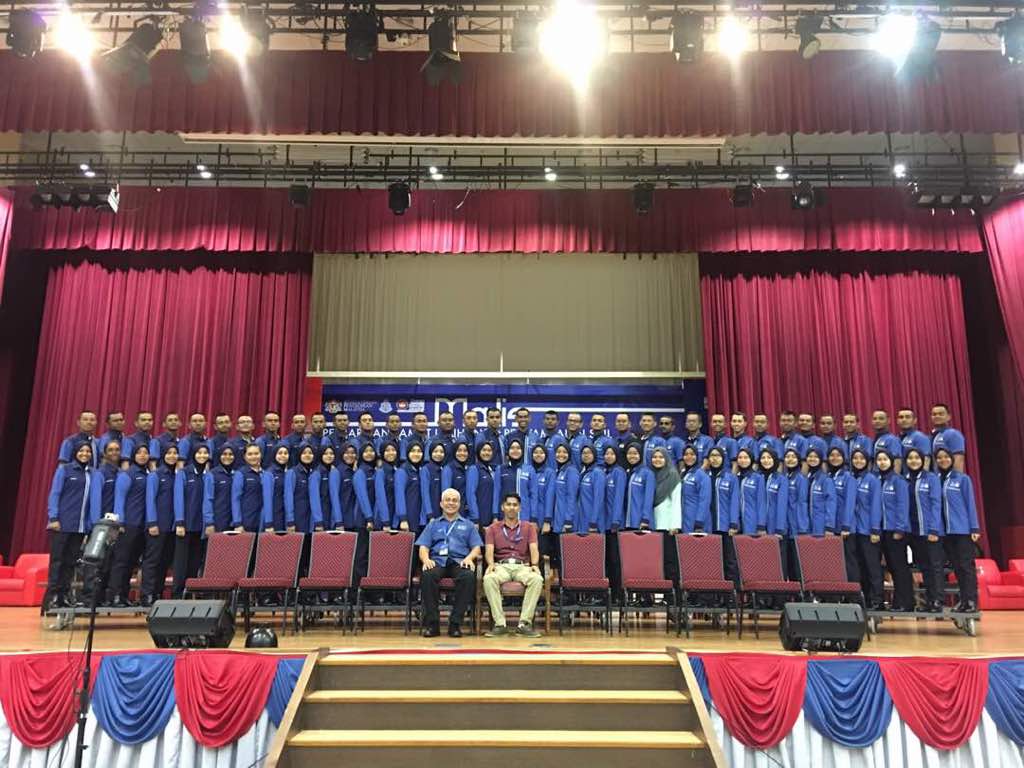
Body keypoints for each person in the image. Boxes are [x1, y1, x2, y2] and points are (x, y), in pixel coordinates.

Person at [416, 489, 482, 637]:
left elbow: (476, 547)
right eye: (447, 500)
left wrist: (469, 558)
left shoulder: (468, 525)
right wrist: (426, 560)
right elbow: (423, 547)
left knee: (468, 577)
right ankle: (433, 624)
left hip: (459, 561)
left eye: (454, 500)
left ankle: (455, 624)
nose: (451, 503)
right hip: (437, 561)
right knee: (427, 575)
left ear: (459, 504)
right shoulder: (433, 524)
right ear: (441, 503)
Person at [482, 493, 543, 638]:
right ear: (502, 507)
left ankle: (524, 624)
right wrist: (490, 564)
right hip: (501, 566)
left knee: (537, 579)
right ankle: (500, 624)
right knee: (489, 579)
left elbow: (534, 548)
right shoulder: (492, 528)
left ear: (519, 508)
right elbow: (489, 550)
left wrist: (535, 564)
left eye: (515, 505)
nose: (511, 508)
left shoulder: (528, 527)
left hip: (522, 566)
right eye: (508, 504)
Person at [45, 441, 94, 609]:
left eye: (88, 451)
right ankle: (52, 597)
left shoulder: (91, 474)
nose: (85, 454)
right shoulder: (64, 470)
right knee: (57, 562)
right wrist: (53, 517)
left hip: (79, 527)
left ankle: (64, 595)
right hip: (62, 524)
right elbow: (55, 494)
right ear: (75, 453)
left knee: (70, 563)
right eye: (81, 451)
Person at [935, 447, 980, 611]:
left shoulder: (962, 479)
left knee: (966, 567)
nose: (943, 460)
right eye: (939, 458)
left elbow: (970, 503)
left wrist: (974, 527)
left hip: (962, 530)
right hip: (946, 532)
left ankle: (971, 601)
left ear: (952, 459)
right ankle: (963, 600)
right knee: (957, 568)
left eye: (946, 457)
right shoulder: (936, 479)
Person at [109, 443, 150, 606]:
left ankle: (124, 596)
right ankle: (115, 596)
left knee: (131, 562)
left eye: (145, 452)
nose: (142, 455)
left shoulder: (148, 474)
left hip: (141, 526)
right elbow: (119, 500)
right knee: (121, 561)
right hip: (127, 525)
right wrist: (120, 522)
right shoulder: (126, 475)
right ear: (133, 456)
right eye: (139, 452)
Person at [903, 448, 944, 612]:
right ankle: (929, 600)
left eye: (916, 458)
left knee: (935, 567)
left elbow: (936, 504)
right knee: (924, 568)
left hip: (930, 531)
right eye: (910, 458)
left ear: (923, 460)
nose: (913, 461)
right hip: (914, 532)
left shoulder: (931, 478)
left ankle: (937, 600)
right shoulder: (905, 479)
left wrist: (934, 529)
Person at [172, 444, 213, 598]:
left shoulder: (208, 475)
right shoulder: (183, 473)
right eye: (199, 452)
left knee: (195, 562)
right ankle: (177, 594)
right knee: (181, 562)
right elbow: (178, 498)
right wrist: (180, 522)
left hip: (200, 526)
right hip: (185, 525)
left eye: (205, 453)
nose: (202, 455)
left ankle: (189, 593)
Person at [141, 444, 179, 606]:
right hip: (156, 526)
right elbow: (150, 500)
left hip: (171, 527)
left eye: (175, 453)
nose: (172, 456)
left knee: (165, 561)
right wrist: (152, 522)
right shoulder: (155, 475)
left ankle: (158, 592)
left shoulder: (177, 475)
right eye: (169, 453)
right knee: (152, 561)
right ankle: (147, 595)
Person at [86, 439, 121, 604]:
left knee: (109, 563)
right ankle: (89, 598)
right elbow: (95, 499)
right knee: (95, 562)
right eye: (111, 449)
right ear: (104, 453)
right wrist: (96, 524)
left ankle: (103, 598)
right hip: (101, 526)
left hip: (115, 525)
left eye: (117, 449)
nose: (114, 452)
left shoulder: (120, 473)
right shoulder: (100, 473)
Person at [876, 450, 912, 611]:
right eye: (879, 460)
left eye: (885, 459)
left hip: (896, 530)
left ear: (891, 461)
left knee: (899, 567)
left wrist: (900, 528)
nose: (882, 462)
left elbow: (902, 505)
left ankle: (906, 602)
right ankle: (898, 601)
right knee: (891, 566)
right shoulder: (879, 480)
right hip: (883, 530)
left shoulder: (898, 481)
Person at [851, 449, 884, 609]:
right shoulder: (852, 479)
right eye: (855, 458)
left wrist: (875, 529)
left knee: (873, 567)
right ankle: (865, 599)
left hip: (869, 531)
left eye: (861, 458)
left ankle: (877, 599)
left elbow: (876, 505)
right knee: (860, 567)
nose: (858, 461)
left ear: (867, 461)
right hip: (855, 530)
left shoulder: (872, 480)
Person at [706, 447, 740, 585]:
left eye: (718, 456)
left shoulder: (730, 477)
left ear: (723, 458)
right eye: (712, 456)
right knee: (712, 562)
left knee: (729, 560)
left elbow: (735, 501)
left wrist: (733, 523)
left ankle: (732, 592)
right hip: (709, 526)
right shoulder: (705, 476)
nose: (714, 459)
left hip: (725, 526)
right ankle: (715, 592)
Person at [826, 447, 859, 583]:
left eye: (838, 455)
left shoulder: (848, 478)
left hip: (845, 528)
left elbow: (850, 503)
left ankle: (854, 592)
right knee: (835, 563)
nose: (835, 458)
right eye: (832, 455)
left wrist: (846, 526)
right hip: (832, 527)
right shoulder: (828, 477)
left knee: (849, 561)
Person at [781, 448, 809, 580]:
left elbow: (802, 503)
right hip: (786, 525)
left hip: (797, 526)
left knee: (798, 564)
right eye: (787, 457)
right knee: (789, 564)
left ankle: (802, 590)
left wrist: (802, 527)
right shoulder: (786, 477)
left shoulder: (801, 479)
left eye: (793, 457)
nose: (790, 459)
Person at [285, 442, 322, 536]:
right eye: (304, 453)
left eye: (310, 453)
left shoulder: (314, 473)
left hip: (311, 520)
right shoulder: (292, 472)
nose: (307, 455)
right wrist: (290, 521)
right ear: (299, 455)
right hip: (297, 520)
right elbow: (288, 498)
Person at [203, 445, 239, 533]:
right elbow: (208, 500)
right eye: (224, 454)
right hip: (217, 522)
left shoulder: (237, 474)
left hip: (234, 522)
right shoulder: (212, 474)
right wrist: (209, 523)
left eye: (230, 454)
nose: (227, 457)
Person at [498, 439, 533, 524]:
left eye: (518, 448)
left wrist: (534, 517)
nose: (515, 450)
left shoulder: (529, 469)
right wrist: (495, 515)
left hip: (524, 517)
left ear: (522, 451)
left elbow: (533, 495)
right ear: (508, 451)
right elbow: (496, 493)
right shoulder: (501, 469)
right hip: (504, 516)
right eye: (512, 448)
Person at [232, 444, 265, 532]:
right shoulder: (240, 474)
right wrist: (238, 523)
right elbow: (235, 499)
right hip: (246, 523)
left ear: (261, 454)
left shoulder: (265, 474)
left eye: (256, 453)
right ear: (245, 457)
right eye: (250, 454)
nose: (253, 457)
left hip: (262, 523)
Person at [467, 442, 500, 528]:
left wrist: (495, 516)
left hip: (490, 518)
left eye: (489, 450)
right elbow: (471, 495)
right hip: (478, 520)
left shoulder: (491, 470)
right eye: (484, 450)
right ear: (479, 452)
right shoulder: (474, 469)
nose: (487, 453)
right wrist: (475, 518)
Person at [805, 449, 837, 537]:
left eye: (816, 457)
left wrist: (829, 526)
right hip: (807, 526)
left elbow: (831, 503)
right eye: (810, 456)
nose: (812, 459)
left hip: (821, 526)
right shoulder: (807, 478)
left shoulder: (826, 480)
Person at [310, 445, 343, 530]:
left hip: (331, 518)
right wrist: (318, 522)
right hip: (320, 520)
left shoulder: (334, 472)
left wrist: (338, 520)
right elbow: (314, 500)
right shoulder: (316, 473)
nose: (329, 456)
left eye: (331, 453)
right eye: (325, 454)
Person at [623, 443, 654, 530]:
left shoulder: (648, 473)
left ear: (640, 454)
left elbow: (649, 498)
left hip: (641, 522)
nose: (632, 456)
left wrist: (645, 519)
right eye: (629, 453)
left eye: (635, 453)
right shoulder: (627, 472)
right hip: (628, 521)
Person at [735, 449, 766, 535]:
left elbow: (761, 503)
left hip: (751, 520)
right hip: (735, 522)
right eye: (740, 457)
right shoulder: (734, 478)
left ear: (751, 459)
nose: (743, 460)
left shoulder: (758, 478)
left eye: (746, 457)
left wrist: (761, 524)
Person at [262, 445, 292, 532]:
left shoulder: (289, 472)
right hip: (274, 516)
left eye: (285, 453)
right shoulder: (269, 473)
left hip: (285, 516)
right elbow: (267, 500)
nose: (283, 455)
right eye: (280, 453)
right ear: (274, 455)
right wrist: (268, 523)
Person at [394, 442, 424, 532]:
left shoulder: (419, 470)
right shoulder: (402, 471)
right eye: (413, 451)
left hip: (417, 518)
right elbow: (399, 496)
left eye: (419, 451)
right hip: (406, 521)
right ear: (407, 453)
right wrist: (403, 519)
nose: (416, 454)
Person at [552, 444, 581, 533]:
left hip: (567, 522)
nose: (561, 454)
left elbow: (572, 497)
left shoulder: (572, 471)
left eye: (564, 452)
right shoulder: (560, 471)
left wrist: (568, 520)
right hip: (558, 519)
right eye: (558, 452)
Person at [930, 404, 967, 472]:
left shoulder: (953, 434)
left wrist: (955, 478)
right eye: (934, 414)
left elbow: (958, 462)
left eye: (941, 414)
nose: (937, 416)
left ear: (948, 417)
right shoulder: (931, 436)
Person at [577, 445, 605, 532]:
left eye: (589, 453)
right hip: (582, 520)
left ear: (594, 455)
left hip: (593, 523)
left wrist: (593, 521)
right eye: (584, 453)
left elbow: (598, 499)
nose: (586, 455)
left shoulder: (598, 473)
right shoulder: (584, 472)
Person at [373, 441, 400, 530]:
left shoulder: (395, 470)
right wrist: (385, 521)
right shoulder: (380, 472)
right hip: (382, 521)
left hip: (394, 519)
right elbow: (380, 498)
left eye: (393, 450)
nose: (391, 453)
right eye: (387, 450)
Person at [529, 444, 556, 532]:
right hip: (527, 516)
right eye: (535, 452)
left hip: (542, 518)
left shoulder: (550, 473)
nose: (538, 455)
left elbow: (549, 497)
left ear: (546, 455)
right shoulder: (527, 471)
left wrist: (547, 520)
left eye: (541, 452)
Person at [420, 440, 448, 523]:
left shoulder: (443, 469)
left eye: (441, 452)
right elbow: (425, 493)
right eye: (435, 451)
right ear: (430, 453)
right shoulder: (426, 469)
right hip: (429, 516)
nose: (438, 454)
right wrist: (430, 515)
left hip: (442, 514)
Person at [352, 443, 379, 529]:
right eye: (366, 451)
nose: (369, 453)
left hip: (374, 517)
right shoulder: (360, 473)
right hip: (363, 519)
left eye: (371, 451)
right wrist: (369, 518)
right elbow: (362, 497)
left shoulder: (374, 470)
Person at [441, 440, 472, 514]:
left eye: (465, 451)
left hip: (467, 512)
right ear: (454, 452)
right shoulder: (448, 469)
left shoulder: (469, 469)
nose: (462, 453)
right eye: (459, 450)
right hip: (453, 512)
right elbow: (446, 495)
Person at [602, 446, 626, 534]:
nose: (609, 456)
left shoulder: (619, 472)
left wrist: (616, 520)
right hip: (605, 521)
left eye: (612, 454)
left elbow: (619, 498)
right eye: (607, 454)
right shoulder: (605, 472)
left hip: (615, 523)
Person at [335, 443, 358, 529]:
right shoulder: (337, 472)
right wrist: (338, 521)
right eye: (347, 453)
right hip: (342, 520)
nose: (350, 455)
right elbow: (334, 498)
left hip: (355, 519)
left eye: (352, 453)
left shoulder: (356, 471)